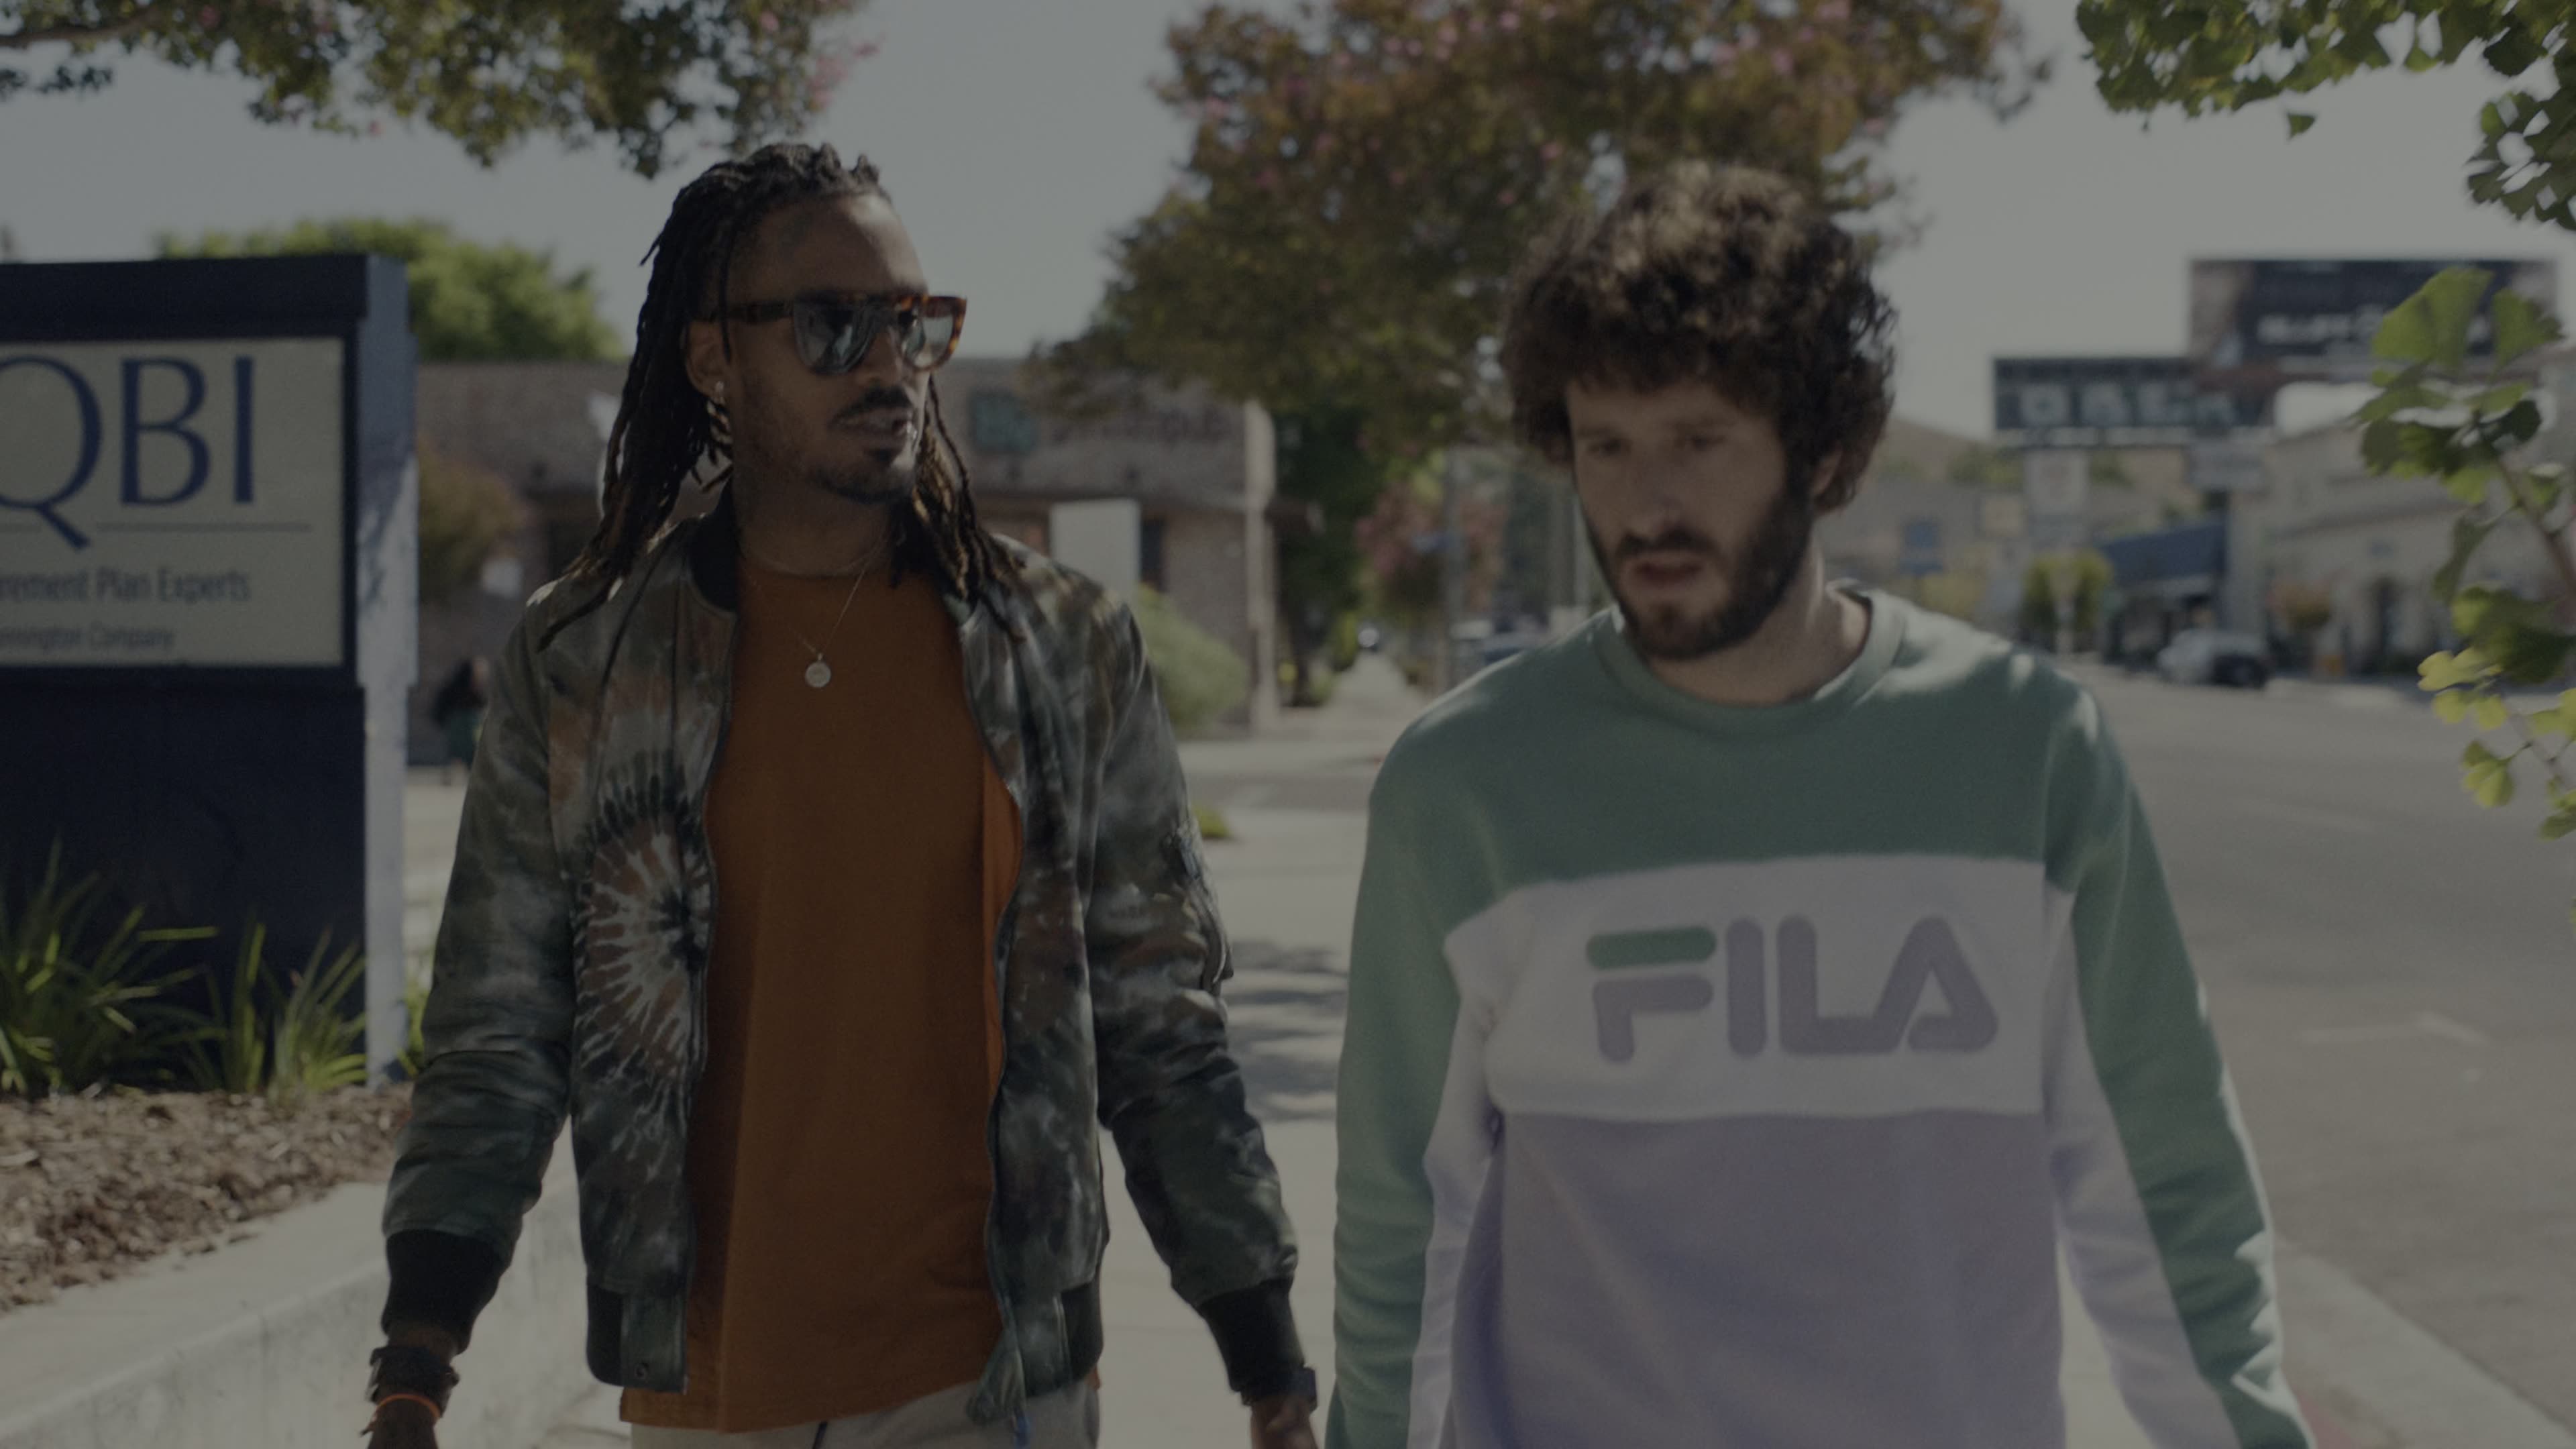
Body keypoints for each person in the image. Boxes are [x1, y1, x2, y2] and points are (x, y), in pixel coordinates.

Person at [1328, 163, 2314, 1449]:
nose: (1646, 503)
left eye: (1699, 440)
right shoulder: (1464, 785)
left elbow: (2161, 1183)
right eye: (1607, 445)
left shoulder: (2027, 752)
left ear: (1828, 450)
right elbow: (1402, 1210)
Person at [364, 142, 1318, 1449]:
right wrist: (419, 1352)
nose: (889, 365)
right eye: (832, 324)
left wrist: (1267, 1358)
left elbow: (1162, 1022)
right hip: (710, 1387)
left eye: (913, 323)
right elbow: (498, 1025)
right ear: (715, 358)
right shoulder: (591, 658)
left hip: (995, 1379)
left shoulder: (1057, 646)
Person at [427, 657, 490, 784]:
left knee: (468, 753)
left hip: (464, 730)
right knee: (465, 752)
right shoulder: (457, 690)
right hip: (460, 729)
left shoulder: (471, 690)